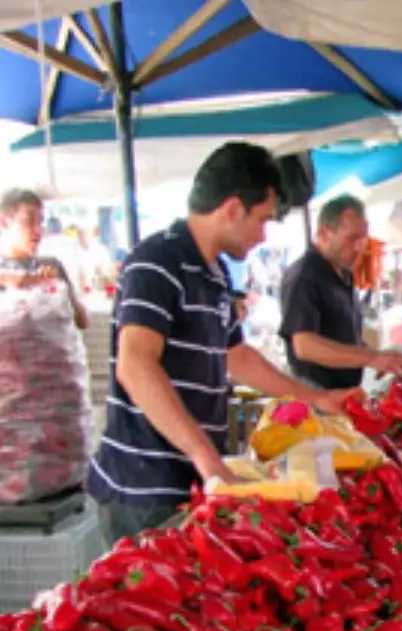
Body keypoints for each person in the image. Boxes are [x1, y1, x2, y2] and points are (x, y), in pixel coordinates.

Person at [87, 142, 355, 546]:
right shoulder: (156, 261)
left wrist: (317, 398)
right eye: (262, 220)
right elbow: (136, 365)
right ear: (231, 209)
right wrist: (203, 454)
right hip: (144, 487)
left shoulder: (213, 275)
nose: (263, 235)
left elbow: (238, 356)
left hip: (189, 482)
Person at [279, 195, 402, 391]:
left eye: (362, 239)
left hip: (343, 393)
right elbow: (305, 346)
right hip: (314, 394)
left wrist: (382, 358)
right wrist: (373, 358)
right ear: (325, 233)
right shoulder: (304, 276)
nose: (359, 248)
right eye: (351, 239)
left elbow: (344, 335)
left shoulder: (344, 274)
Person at [0, 189, 88, 330]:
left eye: (40, 222)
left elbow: (82, 322)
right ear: (4, 222)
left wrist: (64, 289)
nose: (38, 230)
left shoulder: (51, 265)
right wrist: (8, 280)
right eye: (29, 221)